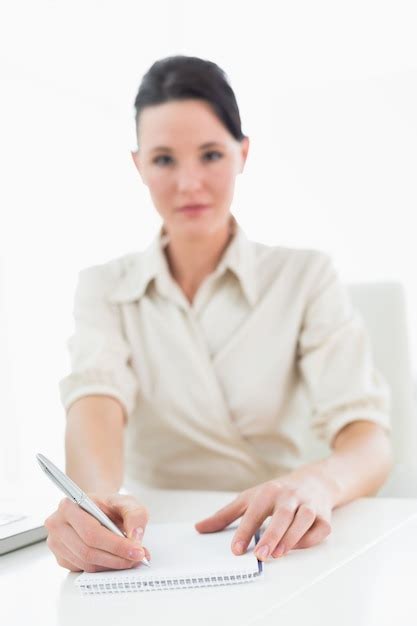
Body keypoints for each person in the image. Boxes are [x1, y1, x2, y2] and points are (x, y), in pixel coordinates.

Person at [44, 55, 393, 574]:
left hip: (277, 538)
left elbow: (367, 437)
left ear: (242, 153)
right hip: (155, 545)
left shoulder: (305, 277)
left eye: (210, 154)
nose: (189, 184)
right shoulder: (104, 286)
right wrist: (93, 502)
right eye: (164, 160)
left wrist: (316, 483)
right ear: (138, 165)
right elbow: (96, 401)